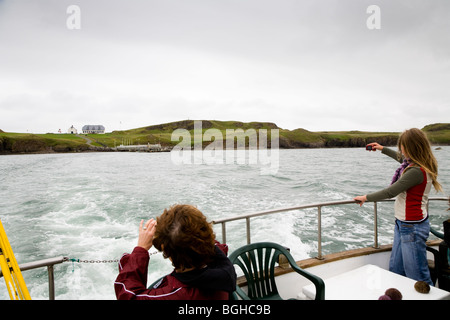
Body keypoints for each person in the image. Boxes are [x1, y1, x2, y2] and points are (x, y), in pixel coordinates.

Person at [354, 128, 442, 286]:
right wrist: (382, 149)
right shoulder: (420, 164)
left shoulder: (416, 171)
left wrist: (365, 197)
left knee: (417, 276)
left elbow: (391, 191)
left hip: (412, 227)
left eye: (402, 146)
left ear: (410, 147)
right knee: (396, 269)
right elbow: (401, 159)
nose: (400, 149)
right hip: (404, 224)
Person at [114, 204, 237, 300]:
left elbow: (129, 295)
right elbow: (213, 244)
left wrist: (140, 250)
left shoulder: (177, 294)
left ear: (166, 251)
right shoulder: (221, 266)